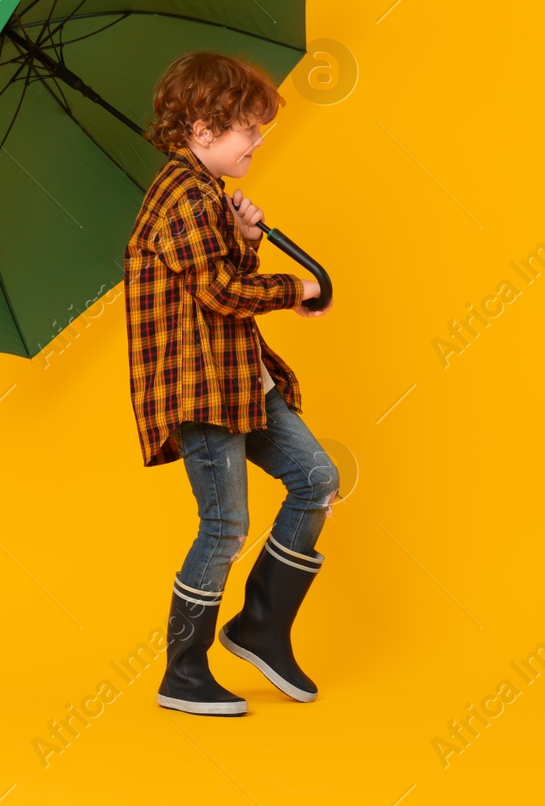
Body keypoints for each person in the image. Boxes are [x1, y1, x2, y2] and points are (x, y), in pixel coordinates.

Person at [122, 49, 340, 717]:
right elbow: (217, 292)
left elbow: (214, 274)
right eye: (248, 126)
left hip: (240, 381)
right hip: (203, 389)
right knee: (224, 525)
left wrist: (244, 236)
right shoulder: (184, 196)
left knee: (317, 479)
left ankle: (260, 626)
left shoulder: (204, 194)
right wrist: (292, 285)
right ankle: (182, 671)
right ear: (202, 130)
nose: (259, 139)